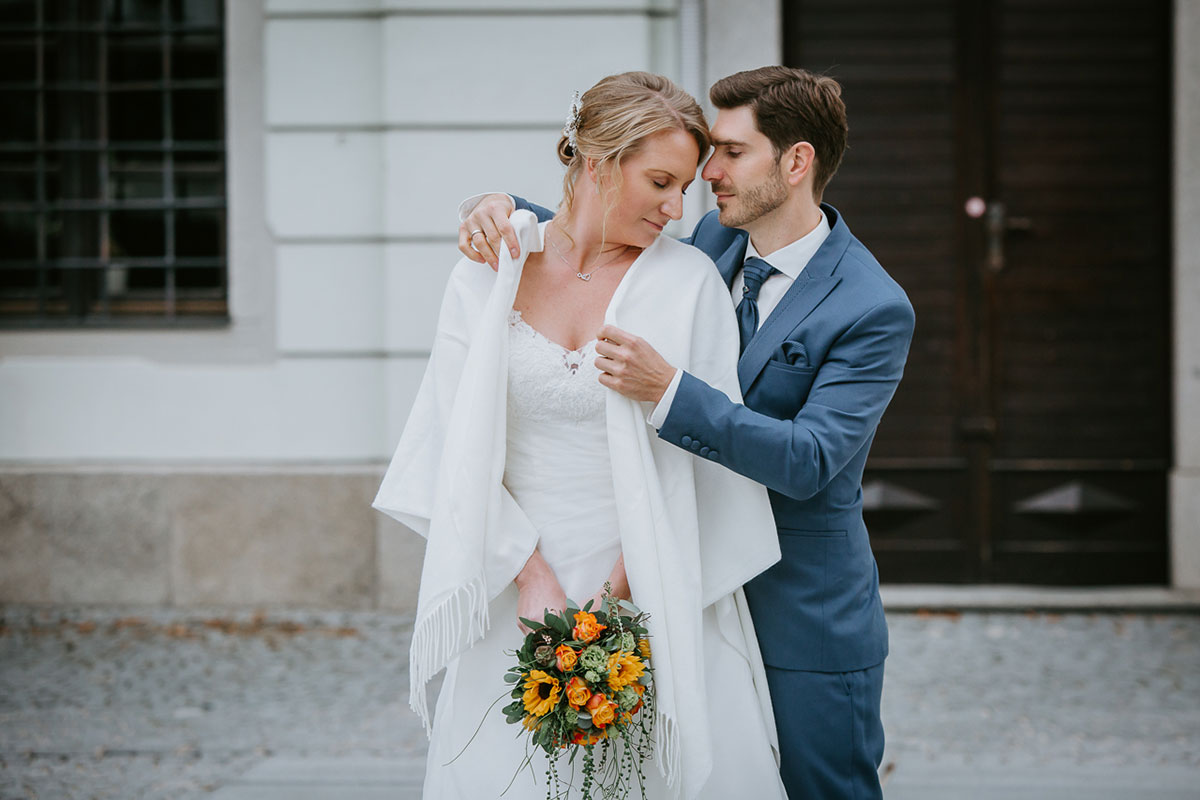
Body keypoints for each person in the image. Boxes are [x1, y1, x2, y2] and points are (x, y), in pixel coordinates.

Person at [460, 65, 916, 800]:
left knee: (820, 789)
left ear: (795, 163)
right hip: (688, 586)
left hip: (801, 610)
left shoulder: (873, 306)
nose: (707, 175)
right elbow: (598, 222)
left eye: (733, 153)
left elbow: (809, 461)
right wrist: (499, 205)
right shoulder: (713, 240)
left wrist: (668, 391)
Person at [374, 72, 788, 799]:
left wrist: (610, 601)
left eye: (685, 185)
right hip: (513, 577)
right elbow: (453, 445)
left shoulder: (689, 282)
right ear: (596, 162)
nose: (676, 206)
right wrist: (532, 583)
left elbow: (707, 461)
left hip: (652, 571)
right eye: (660, 180)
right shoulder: (485, 274)